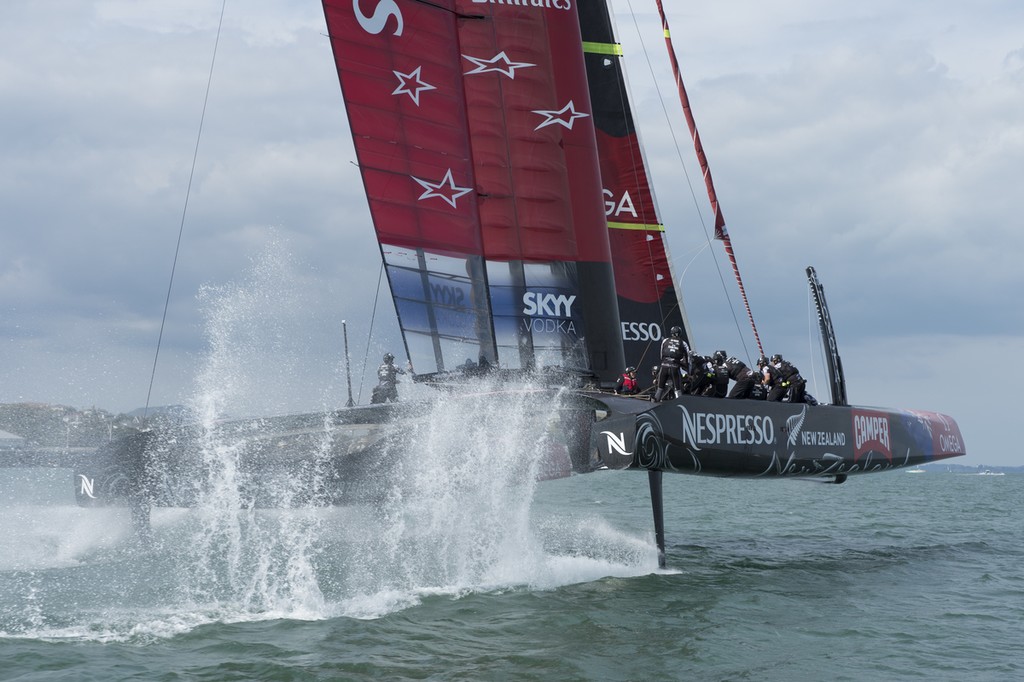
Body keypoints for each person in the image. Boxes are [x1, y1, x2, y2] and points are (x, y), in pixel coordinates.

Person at [653, 326, 689, 401]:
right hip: (675, 368)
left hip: (664, 367)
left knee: (660, 388)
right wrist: (688, 370)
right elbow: (687, 359)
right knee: (677, 389)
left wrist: (665, 362)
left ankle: (654, 403)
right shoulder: (683, 343)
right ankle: (680, 404)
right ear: (679, 333)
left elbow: (661, 355)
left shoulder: (665, 340)